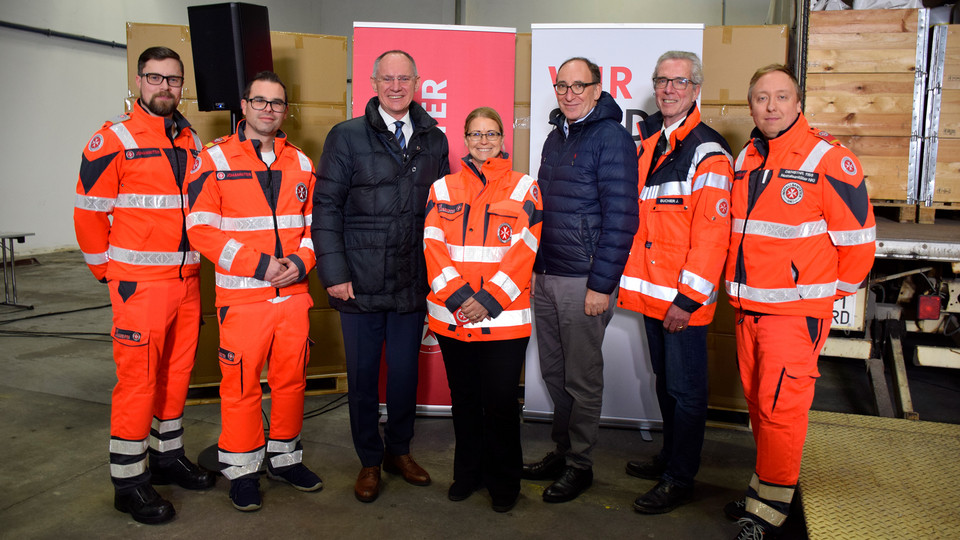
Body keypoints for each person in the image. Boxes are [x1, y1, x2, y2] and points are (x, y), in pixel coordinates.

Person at [725, 64, 875, 539]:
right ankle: (763, 490)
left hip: (793, 315)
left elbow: (859, 244)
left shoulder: (829, 159)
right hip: (749, 310)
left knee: (781, 413)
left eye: (781, 96)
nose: (771, 106)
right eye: (761, 97)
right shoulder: (749, 156)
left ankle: (769, 514)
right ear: (751, 106)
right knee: (759, 407)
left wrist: (820, 295)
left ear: (798, 103)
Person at [73, 46, 214, 525]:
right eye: (155, 78)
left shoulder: (189, 139)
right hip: (139, 286)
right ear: (138, 81)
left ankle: (166, 457)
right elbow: (88, 215)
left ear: (182, 85)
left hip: (186, 281)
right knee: (138, 383)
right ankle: (129, 482)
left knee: (176, 376)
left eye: (173, 79)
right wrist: (107, 272)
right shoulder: (112, 138)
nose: (164, 87)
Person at [313, 50, 450, 503]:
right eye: (387, 79)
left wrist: (440, 277)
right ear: (372, 83)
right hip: (359, 282)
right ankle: (369, 460)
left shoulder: (434, 139)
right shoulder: (346, 136)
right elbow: (326, 207)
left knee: (405, 377)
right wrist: (334, 273)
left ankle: (399, 451)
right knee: (363, 379)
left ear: (416, 82)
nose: (395, 86)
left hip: (411, 281)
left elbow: (443, 213)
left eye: (403, 79)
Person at [185, 71, 322, 512]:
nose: (268, 109)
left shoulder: (302, 163)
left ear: (286, 111)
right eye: (259, 101)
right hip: (243, 299)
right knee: (241, 387)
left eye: (277, 102)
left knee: (291, 382)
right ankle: (242, 472)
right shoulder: (213, 159)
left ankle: (285, 460)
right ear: (243, 106)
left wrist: (300, 262)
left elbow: (315, 227)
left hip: (294, 296)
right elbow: (201, 230)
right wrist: (261, 266)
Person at [618, 51, 733, 514]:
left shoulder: (707, 151)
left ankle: (680, 478)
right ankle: (669, 457)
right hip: (654, 294)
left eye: (679, 82)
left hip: (682, 302)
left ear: (696, 89)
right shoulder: (652, 144)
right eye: (662, 81)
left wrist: (687, 300)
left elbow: (712, 237)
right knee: (666, 384)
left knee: (686, 392)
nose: (668, 89)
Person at [522, 57, 640, 503]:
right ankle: (563, 450)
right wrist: (534, 269)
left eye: (578, 86)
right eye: (562, 86)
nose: (569, 94)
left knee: (582, 378)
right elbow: (542, 210)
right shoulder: (556, 137)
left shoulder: (611, 138)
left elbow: (621, 218)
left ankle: (580, 465)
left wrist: (601, 285)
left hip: (584, 280)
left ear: (596, 89)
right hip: (547, 274)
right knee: (554, 372)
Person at [424, 107, 542, 513]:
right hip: (453, 319)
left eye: (491, 134)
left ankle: (503, 482)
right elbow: (432, 246)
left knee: (501, 404)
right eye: (476, 134)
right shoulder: (441, 188)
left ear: (503, 139)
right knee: (464, 401)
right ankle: (467, 474)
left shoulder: (525, 188)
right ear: (465, 139)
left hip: (503, 321)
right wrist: (460, 297)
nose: (484, 141)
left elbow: (525, 250)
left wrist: (488, 300)